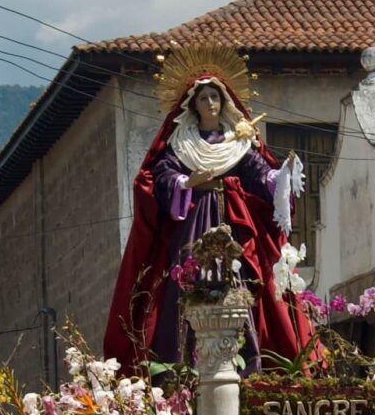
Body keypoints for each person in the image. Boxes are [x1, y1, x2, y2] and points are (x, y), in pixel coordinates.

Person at [102, 60, 310, 366]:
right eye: (203, 98)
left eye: (215, 96)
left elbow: (259, 173)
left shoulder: (238, 143)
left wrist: (283, 174)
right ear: (193, 105)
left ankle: (247, 359)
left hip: (233, 224)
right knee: (190, 279)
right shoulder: (182, 142)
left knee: (240, 281)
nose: (210, 103)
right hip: (195, 222)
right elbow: (161, 175)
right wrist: (188, 182)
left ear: (224, 101)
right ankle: (184, 363)